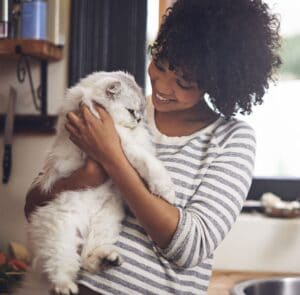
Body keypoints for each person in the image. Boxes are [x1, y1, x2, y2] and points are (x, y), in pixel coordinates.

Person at [24, 0, 281, 294]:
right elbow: (33, 205)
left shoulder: (232, 140)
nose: (163, 86)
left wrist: (112, 158)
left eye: (184, 82)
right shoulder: (118, 108)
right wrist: (84, 179)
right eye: (160, 64)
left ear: (216, 83)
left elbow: (190, 248)